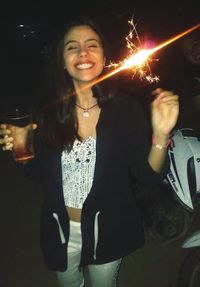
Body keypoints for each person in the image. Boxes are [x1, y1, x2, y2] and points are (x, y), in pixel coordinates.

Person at [0, 16, 179, 287]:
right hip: (60, 227)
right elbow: (39, 174)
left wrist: (162, 134)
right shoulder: (48, 111)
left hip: (109, 228)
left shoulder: (126, 110)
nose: (82, 52)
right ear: (62, 60)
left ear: (104, 56)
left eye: (91, 45)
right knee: (69, 282)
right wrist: (20, 147)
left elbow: (148, 176)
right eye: (72, 47)